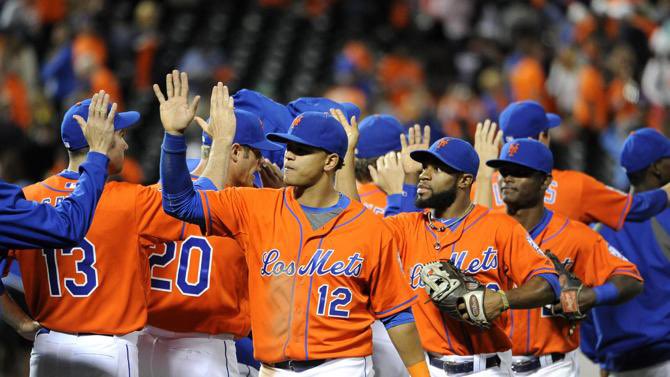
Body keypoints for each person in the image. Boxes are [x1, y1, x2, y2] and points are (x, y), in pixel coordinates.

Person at [157, 70, 431, 376]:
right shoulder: (255, 205)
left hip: (341, 368)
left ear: (330, 162)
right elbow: (180, 203)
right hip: (273, 369)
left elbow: (397, 315)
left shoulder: (368, 226)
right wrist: (174, 137)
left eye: (301, 151)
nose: (288, 156)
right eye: (288, 147)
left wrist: (421, 374)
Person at [11, 75, 210, 377]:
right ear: (99, 140)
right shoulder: (130, 200)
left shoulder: (28, 198)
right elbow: (188, 202)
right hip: (107, 351)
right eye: (120, 134)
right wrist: (179, 138)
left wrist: (18, 321)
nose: (126, 143)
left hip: (47, 348)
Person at [361, 136, 561, 376]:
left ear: (464, 180)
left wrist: (502, 300)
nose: (424, 175)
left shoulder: (500, 227)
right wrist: (346, 152)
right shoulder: (405, 227)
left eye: (438, 169)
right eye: (425, 167)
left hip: (486, 368)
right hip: (429, 367)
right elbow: (353, 230)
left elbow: (549, 283)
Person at [138, 83, 282, 377]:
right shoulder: (246, 206)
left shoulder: (155, 193)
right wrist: (280, 201)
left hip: (146, 343)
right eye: (257, 153)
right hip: (207, 351)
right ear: (236, 151)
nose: (262, 162)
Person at [485, 138, 643, 376]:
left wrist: (593, 295)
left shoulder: (574, 235)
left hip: (552, 367)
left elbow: (631, 278)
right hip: (493, 367)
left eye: (519, 172)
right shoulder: (484, 228)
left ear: (545, 182)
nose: (507, 178)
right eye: (504, 171)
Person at [477, 100, 670, 230]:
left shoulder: (477, 192)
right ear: (542, 138)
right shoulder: (576, 187)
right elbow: (638, 208)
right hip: (555, 289)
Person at [581, 128, 670, 377]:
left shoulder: (596, 231)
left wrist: (603, 359)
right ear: (657, 168)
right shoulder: (665, 218)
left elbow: (583, 308)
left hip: (620, 365)